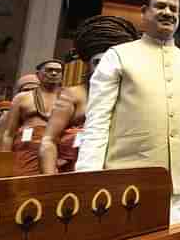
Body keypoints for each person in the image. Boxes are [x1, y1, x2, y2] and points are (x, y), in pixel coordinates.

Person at [75, 0, 180, 237]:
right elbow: (97, 122)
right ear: (144, 12)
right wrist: (88, 177)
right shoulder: (117, 56)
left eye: (174, 9)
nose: (168, 13)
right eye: (160, 6)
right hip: (128, 186)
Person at [39, 15, 139, 174]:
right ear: (88, 65)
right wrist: (51, 183)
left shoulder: (130, 95)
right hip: (75, 176)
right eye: (98, 62)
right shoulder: (73, 95)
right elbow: (48, 141)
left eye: (109, 62)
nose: (103, 69)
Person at [1, 60, 64, 175]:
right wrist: (5, 163)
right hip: (25, 150)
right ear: (38, 74)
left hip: (56, 149)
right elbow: (9, 133)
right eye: (49, 70)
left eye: (58, 71)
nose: (54, 73)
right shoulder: (22, 98)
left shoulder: (67, 98)